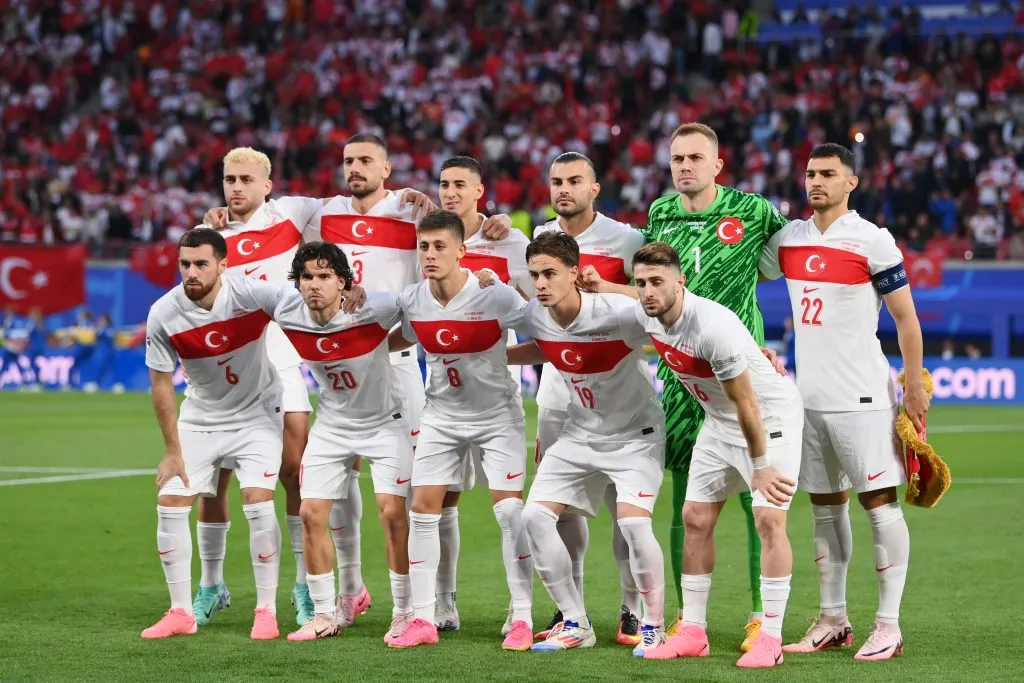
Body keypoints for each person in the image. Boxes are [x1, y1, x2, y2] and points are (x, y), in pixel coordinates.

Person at [587, 123, 790, 650]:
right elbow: (651, 287)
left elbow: (788, 255)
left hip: (734, 362)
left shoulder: (753, 211)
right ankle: (685, 615)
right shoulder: (660, 214)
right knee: (686, 496)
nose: (685, 166)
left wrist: (756, 344)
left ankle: (757, 614)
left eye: (696, 157)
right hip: (684, 378)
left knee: (755, 498)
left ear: (717, 164)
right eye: (677, 158)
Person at [303, 134, 511, 625]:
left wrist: (493, 220)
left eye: (365, 160)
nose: (355, 167)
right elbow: (258, 213)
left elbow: (457, 226)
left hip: (396, 365)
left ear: (388, 168)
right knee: (340, 481)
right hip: (341, 367)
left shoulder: (411, 210)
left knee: (431, 496)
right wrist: (219, 218)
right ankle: (351, 588)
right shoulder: (318, 212)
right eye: (349, 160)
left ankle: (441, 600)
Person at [759, 143, 928, 661]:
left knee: (879, 507)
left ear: (851, 182)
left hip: (864, 398)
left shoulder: (872, 241)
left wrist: (915, 384)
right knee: (825, 511)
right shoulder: (787, 239)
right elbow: (743, 278)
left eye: (828, 173)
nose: (816, 181)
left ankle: (889, 625)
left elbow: (905, 317)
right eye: (810, 173)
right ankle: (833, 618)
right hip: (807, 400)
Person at [616, 242, 803, 668]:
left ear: (680, 282)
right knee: (695, 519)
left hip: (769, 418)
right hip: (719, 421)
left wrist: (760, 468)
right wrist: (602, 283)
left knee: (769, 518)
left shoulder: (711, 326)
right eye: (640, 282)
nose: (646, 292)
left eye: (656, 282)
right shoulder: (649, 310)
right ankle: (695, 632)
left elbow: (749, 405)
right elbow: (624, 297)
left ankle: (770, 638)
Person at [506, 231, 666, 655]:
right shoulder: (535, 314)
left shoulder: (619, 313)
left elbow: (671, 310)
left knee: (632, 524)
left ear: (574, 273)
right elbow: (547, 348)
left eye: (550, 274)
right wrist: (497, 356)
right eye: (535, 274)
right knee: (534, 517)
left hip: (635, 435)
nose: (540, 283)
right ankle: (575, 621)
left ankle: (653, 625)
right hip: (580, 433)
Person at [385, 210, 535, 651]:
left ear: (461, 251)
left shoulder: (494, 295)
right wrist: (361, 347)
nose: (430, 255)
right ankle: (424, 617)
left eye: (439, 247)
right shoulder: (413, 298)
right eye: (424, 247)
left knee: (509, 513)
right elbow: (402, 336)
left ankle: (522, 614)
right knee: (422, 510)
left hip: (497, 416)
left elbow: (541, 326)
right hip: (442, 417)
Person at [192, 146, 325, 628]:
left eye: (247, 179)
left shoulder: (293, 214)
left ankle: (303, 586)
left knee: (294, 473)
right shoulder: (211, 235)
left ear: (268, 184)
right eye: (230, 179)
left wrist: (406, 196)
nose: (236, 187)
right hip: (226, 373)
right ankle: (211, 584)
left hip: (284, 364)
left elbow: (357, 205)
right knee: (212, 481)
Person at [141, 228, 289, 640]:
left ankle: (266, 610)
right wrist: (172, 451)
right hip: (202, 416)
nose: (191, 272)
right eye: (185, 264)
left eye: (201, 264)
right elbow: (161, 385)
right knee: (170, 500)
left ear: (223, 265)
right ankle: (180, 612)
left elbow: (299, 308)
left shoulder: (252, 295)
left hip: (257, 413)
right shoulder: (164, 312)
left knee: (257, 502)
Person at [531, 152, 648, 646]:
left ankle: (631, 608)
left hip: (615, 386)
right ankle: (570, 612)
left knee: (624, 505)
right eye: (557, 181)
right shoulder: (539, 238)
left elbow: (652, 296)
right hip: (558, 391)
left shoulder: (626, 239)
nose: (564, 189)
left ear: (594, 188)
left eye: (575, 180)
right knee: (562, 508)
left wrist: (610, 286)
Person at [272, 242, 412, 643]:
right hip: (333, 424)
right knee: (311, 512)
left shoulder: (374, 308)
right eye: (307, 277)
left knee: (391, 513)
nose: (314, 285)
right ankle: (321, 614)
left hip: (385, 422)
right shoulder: (287, 310)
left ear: (344, 282)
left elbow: (417, 304)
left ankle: (404, 612)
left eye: (324, 277)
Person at [429, 155, 533, 632]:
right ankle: (443, 603)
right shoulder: (428, 238)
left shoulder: (510, 242)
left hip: (494, 400)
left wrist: (510, 357)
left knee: (508, 509)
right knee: (441, 504)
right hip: (442, 400)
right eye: (444, 184)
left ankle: (520, 607)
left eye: (460, 185)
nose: (450, 191)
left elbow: (539, 308)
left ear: (479, 191)